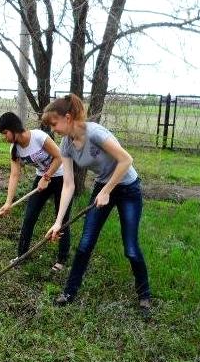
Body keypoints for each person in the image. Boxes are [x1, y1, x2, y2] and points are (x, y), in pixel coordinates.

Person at [43, 94, 151, 311]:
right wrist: (58, 221)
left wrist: (107, 190)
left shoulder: (94, 133)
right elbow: (69, 185)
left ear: (68, 117)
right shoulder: (66, 144)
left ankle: (144, 295)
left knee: (130, 248)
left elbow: (126, 160)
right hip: (103, 188)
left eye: (54, 124)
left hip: (127, 187)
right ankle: (69, 292)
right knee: (84, 245)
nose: (53, 130)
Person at [0, 112, 72, 272]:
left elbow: (59, 157)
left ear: (13, 128)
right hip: (42, 179)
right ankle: (21, 255)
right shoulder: (14, 149)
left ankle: (62, 259)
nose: (5, 137)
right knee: (29, 217)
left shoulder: (38, 137)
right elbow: (15, 174)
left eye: (5, 133)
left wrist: (47, 176)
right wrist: (8, 202)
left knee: (62, 218)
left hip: (61, 177)